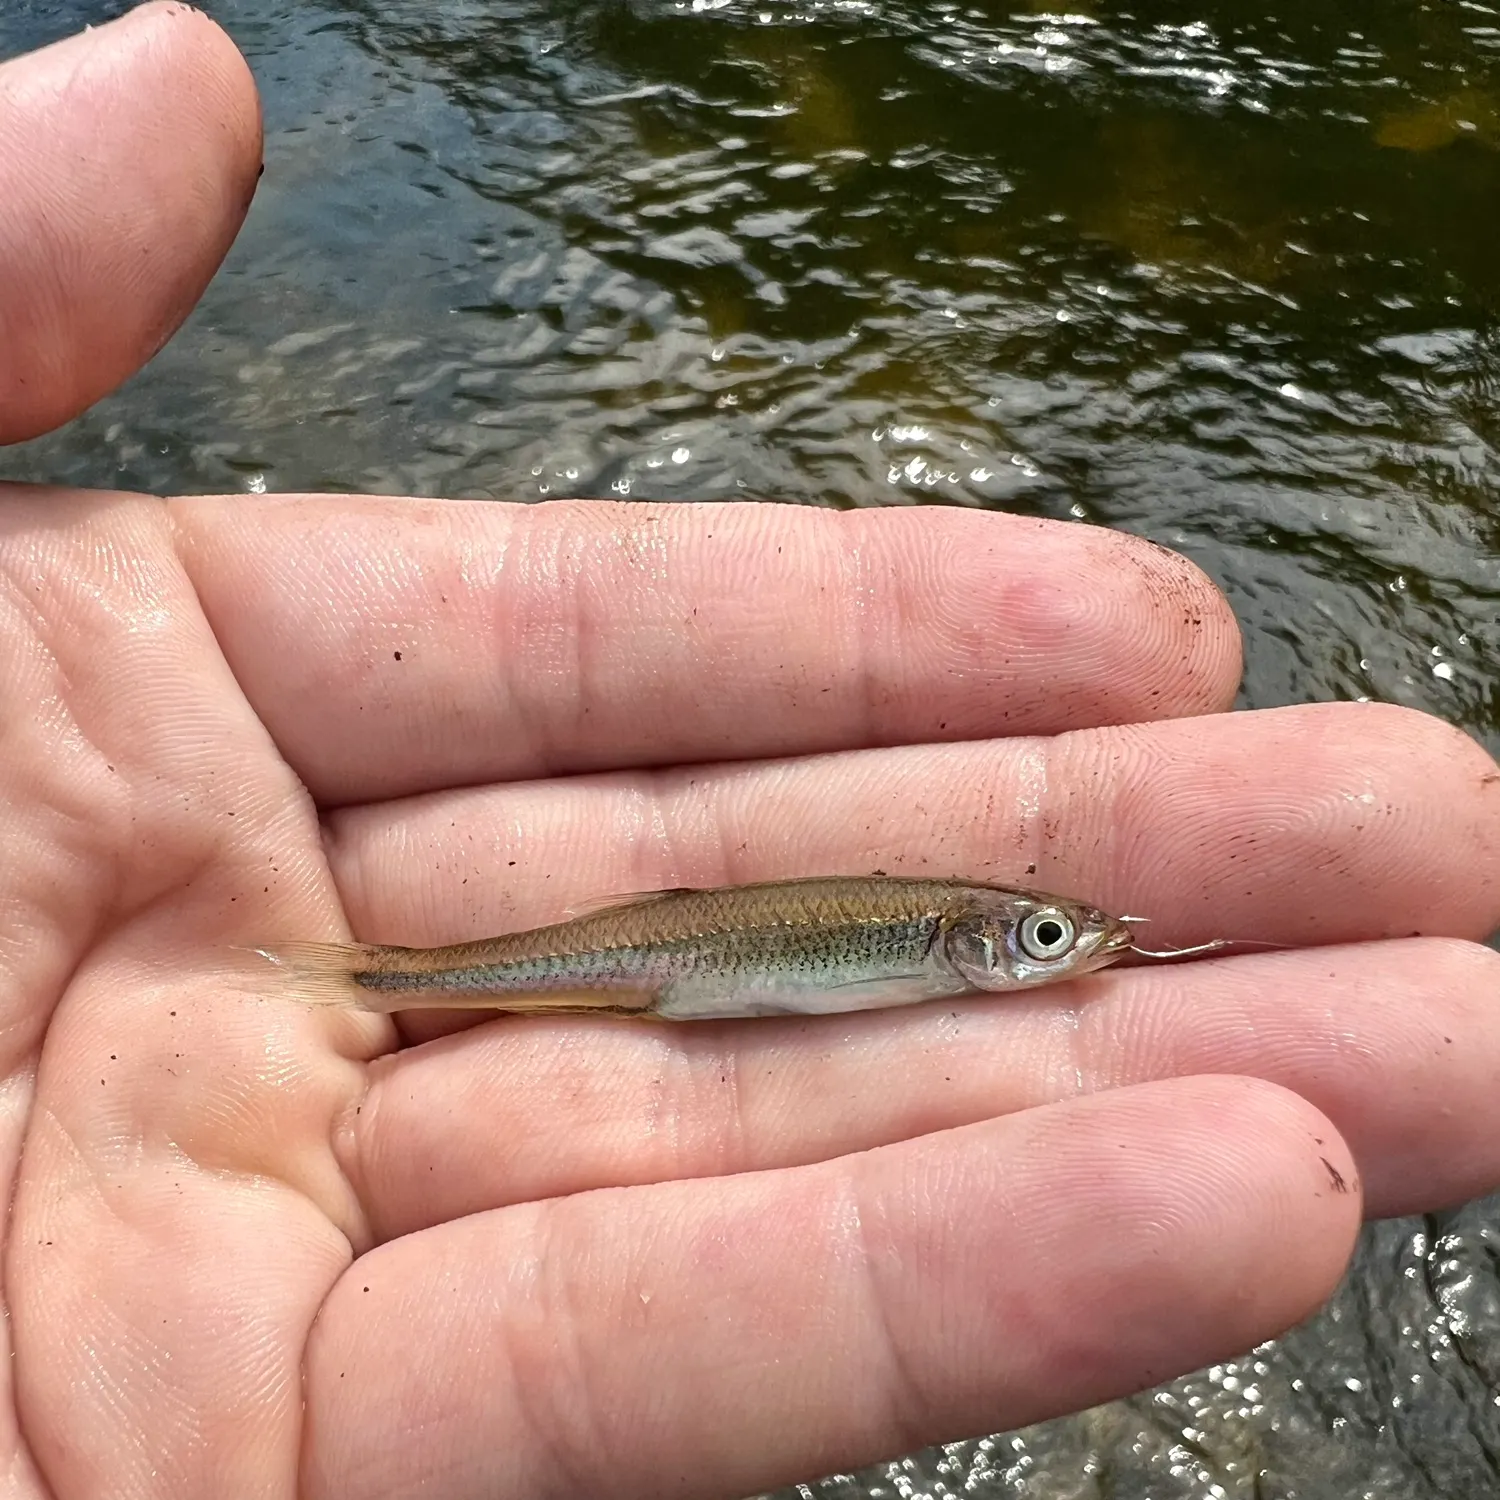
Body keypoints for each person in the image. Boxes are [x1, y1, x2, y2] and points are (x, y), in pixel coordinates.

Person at [0, 6, 1496, 1498]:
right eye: (1042, 935)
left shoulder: (933, 937)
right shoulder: (927, 936)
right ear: (967, 939)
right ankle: (380, 976)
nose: (1059, 948)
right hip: (650, 962)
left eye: (1046, 935)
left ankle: (382, 975)